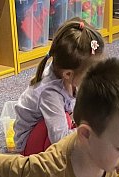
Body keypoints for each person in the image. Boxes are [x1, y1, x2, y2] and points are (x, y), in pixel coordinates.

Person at [14, 18, 104, 155]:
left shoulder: (67, 71)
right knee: (73, 124)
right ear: (68, 74)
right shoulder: (50, 93)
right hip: (30, 146)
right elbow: (60, 139)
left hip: (51, 125)